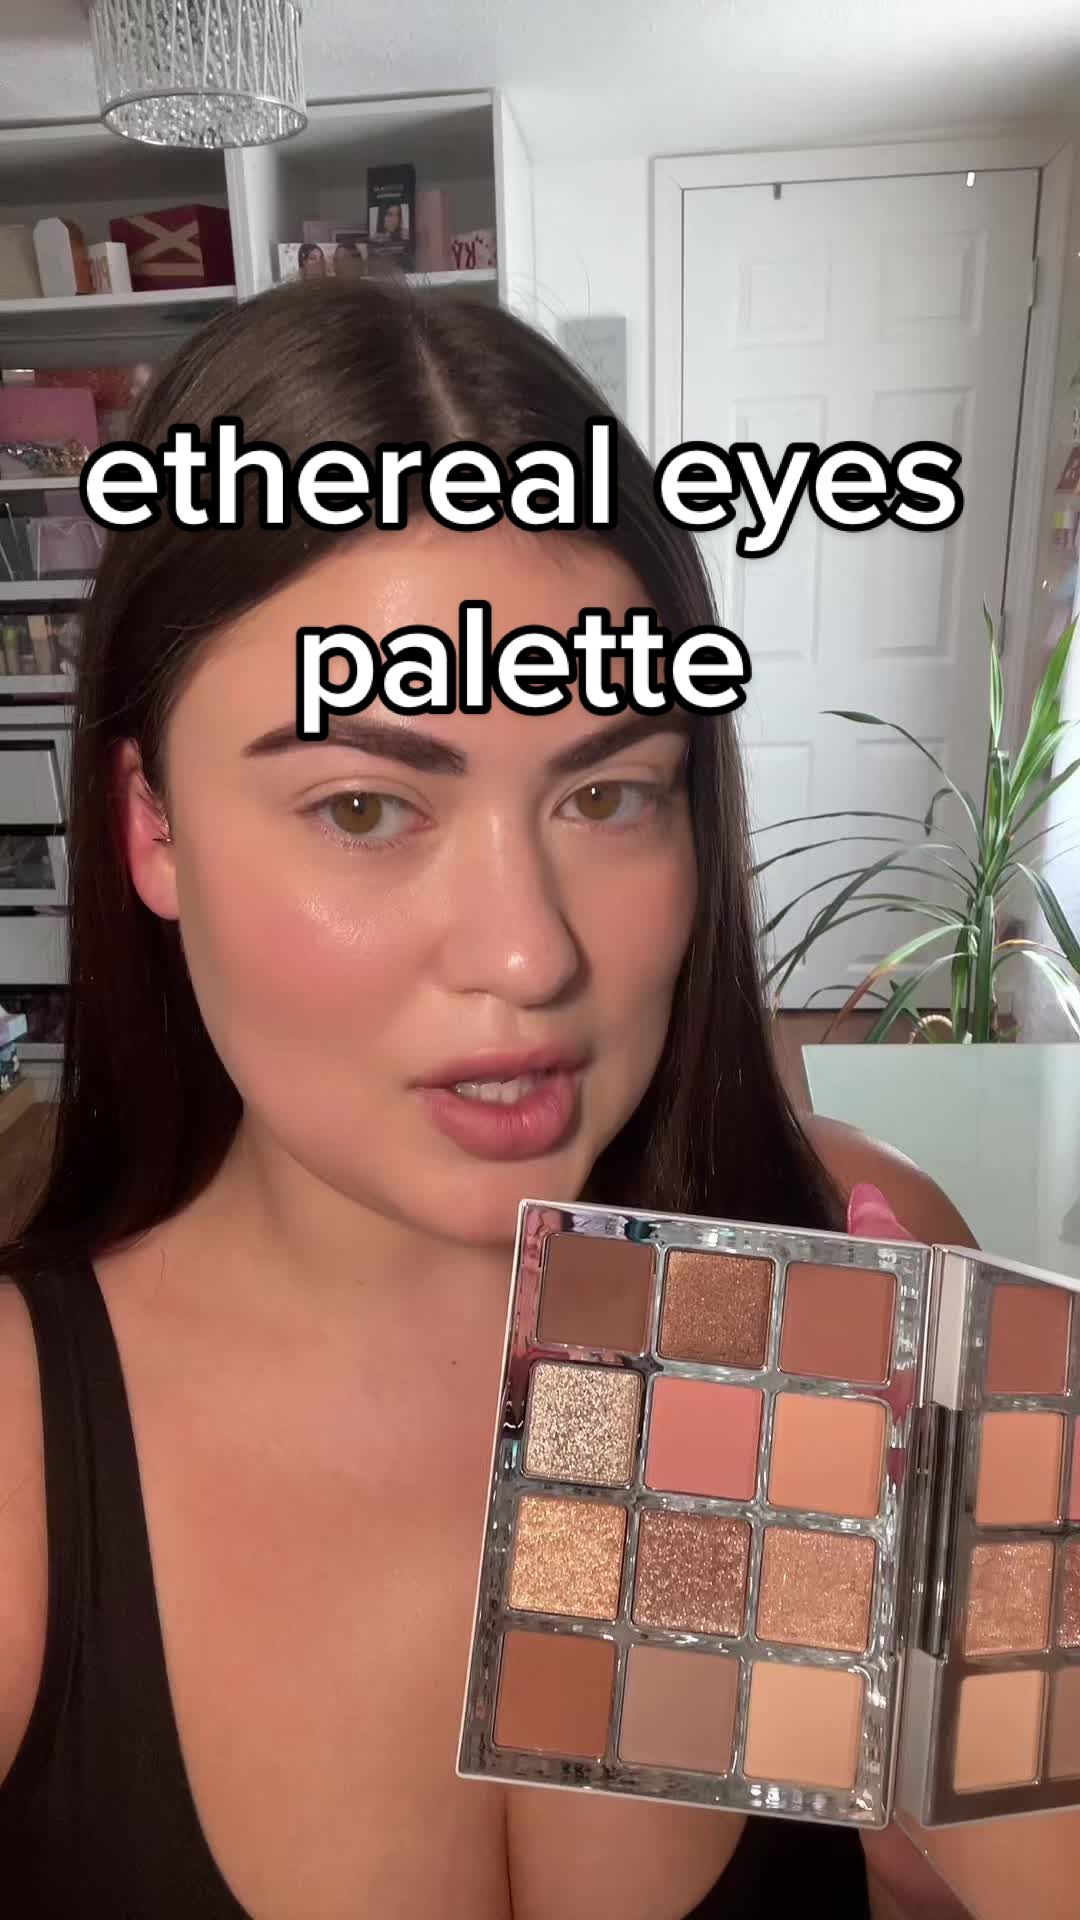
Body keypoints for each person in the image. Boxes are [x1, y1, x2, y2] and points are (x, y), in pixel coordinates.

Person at [0, 278, 985, 1916]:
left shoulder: (866, 1277)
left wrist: (945, 1834)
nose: (530, 954)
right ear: (152, 827)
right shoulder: (25, 1464)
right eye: (366, 808)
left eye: (608, 793)